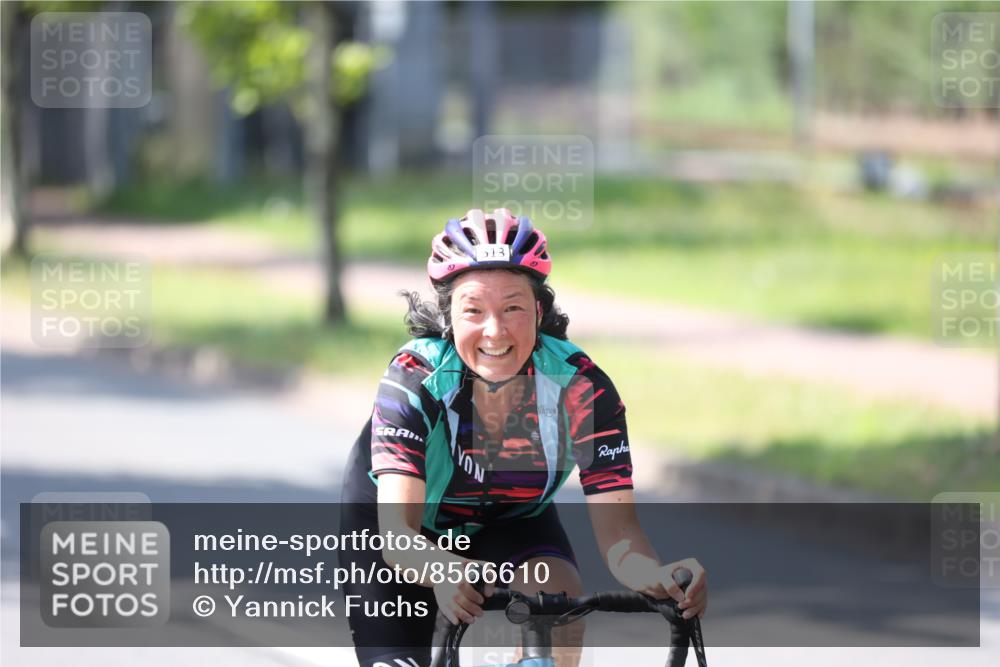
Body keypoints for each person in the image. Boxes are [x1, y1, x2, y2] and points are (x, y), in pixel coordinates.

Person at [339, 208, 707, 667]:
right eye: (473, 309)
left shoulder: (581, 389)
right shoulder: (415, 379)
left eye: (512, 306)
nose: (495, 331)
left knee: (558, 604)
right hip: (405, 531)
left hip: (510, 518)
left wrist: (657, 575)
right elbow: (397, 537)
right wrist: (444, 570)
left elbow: (621, 538)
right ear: (448, 317)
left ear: (539, 310)